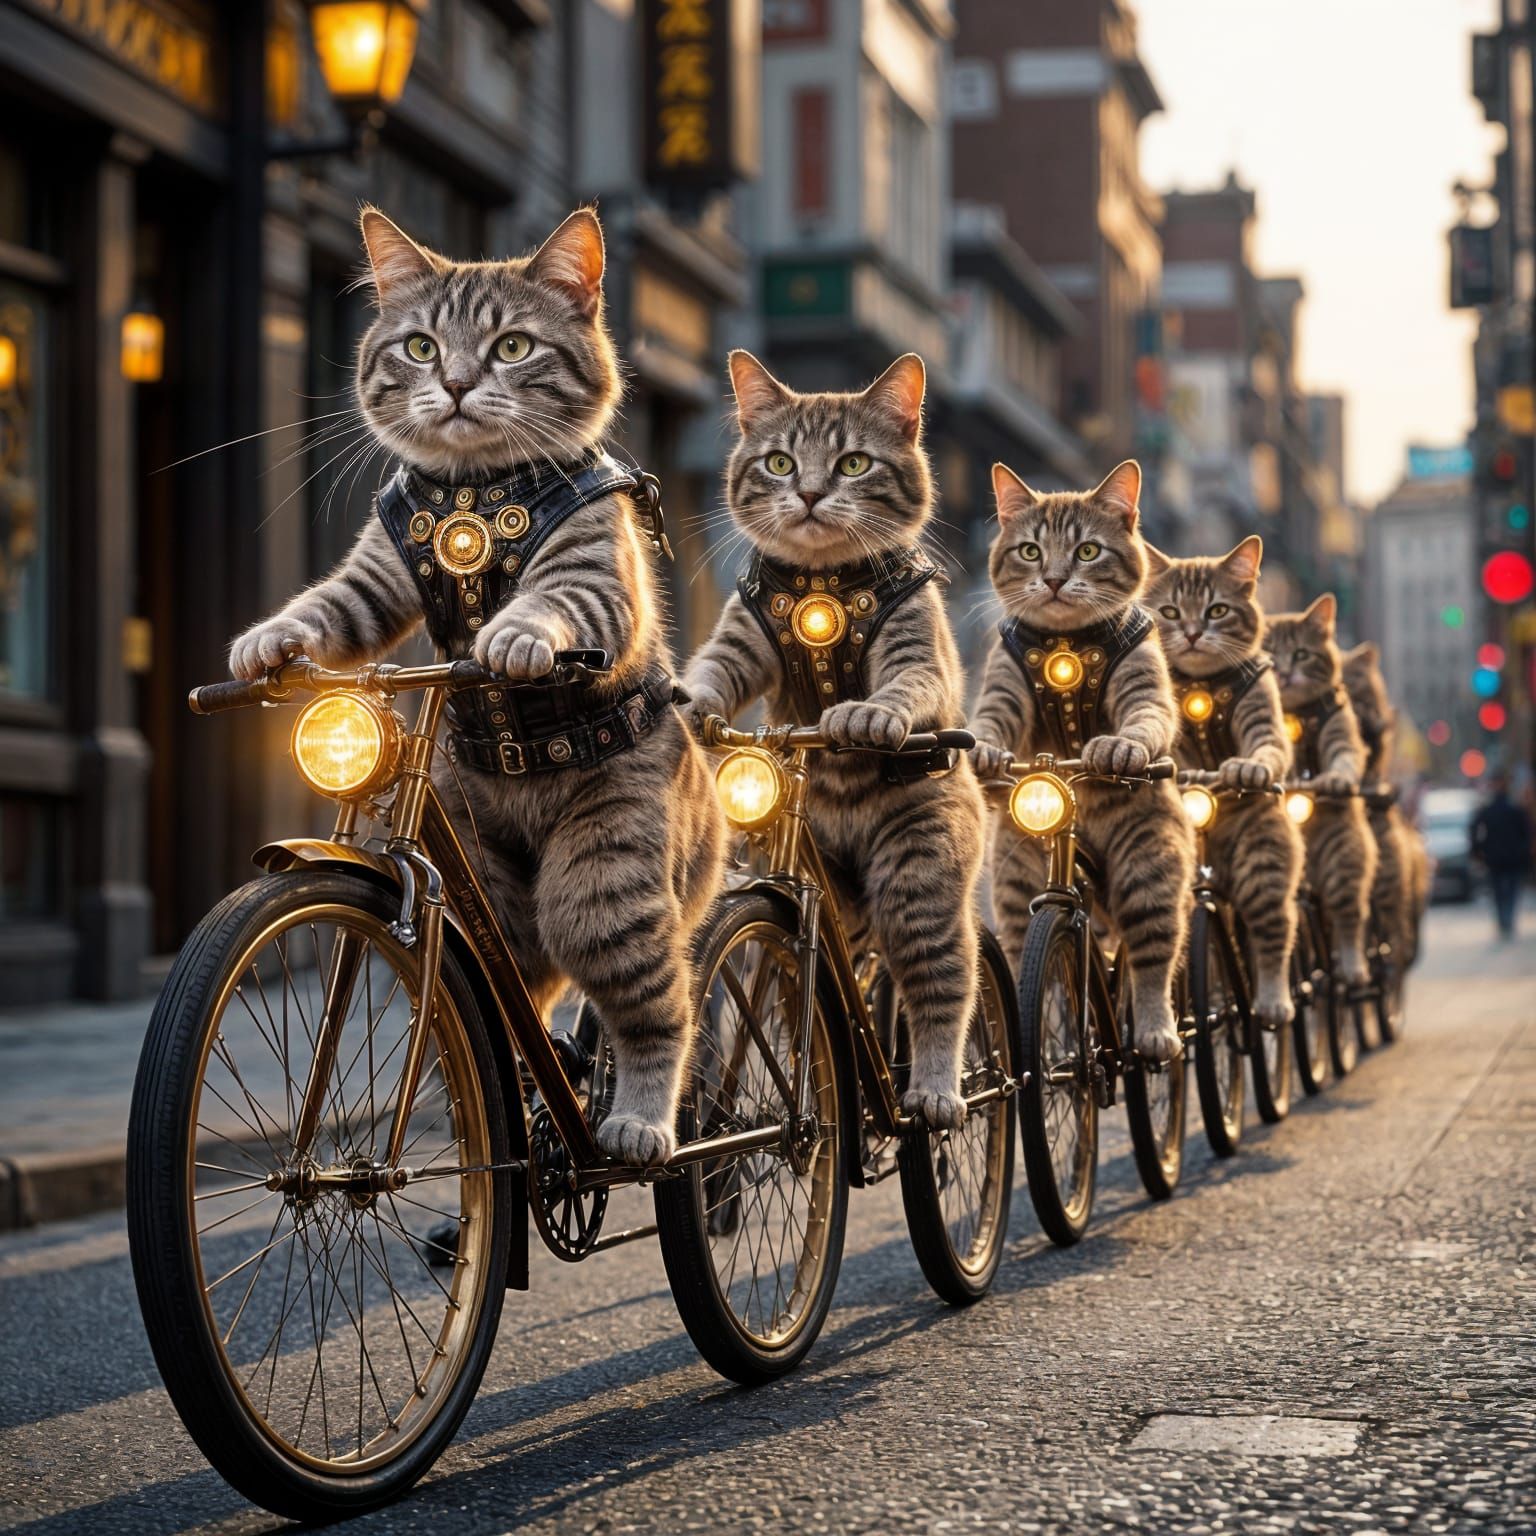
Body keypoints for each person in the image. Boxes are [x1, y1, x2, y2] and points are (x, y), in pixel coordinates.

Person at [1471, 774, 1533, 940]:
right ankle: (1507, 920)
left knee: (1500, 891)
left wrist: (1477, 851)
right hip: (1510, 857)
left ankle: (1504, 920)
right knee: (1509, 890)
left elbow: (1474, 830)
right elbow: (1527, 832)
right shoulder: (1514, 809)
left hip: (1497, 857)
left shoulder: (1490, 809)